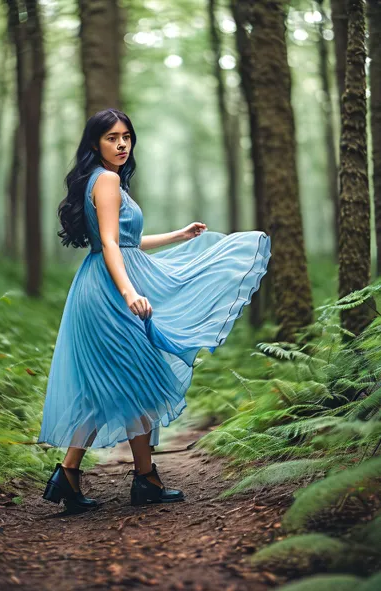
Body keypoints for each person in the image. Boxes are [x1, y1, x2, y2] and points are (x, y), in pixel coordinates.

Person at [38, 108, 271, 513]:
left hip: (103, 284)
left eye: (126, 136)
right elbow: (110, 245)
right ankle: (143, 479)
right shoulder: (107, 179)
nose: (122, 143)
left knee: (111, 384)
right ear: (95, 143)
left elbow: (129, 241)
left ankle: (71, 477)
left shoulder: (105, 180)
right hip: (110, 292)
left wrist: (180, 235)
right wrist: (128, 292)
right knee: (138, 378)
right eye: (112, 137)